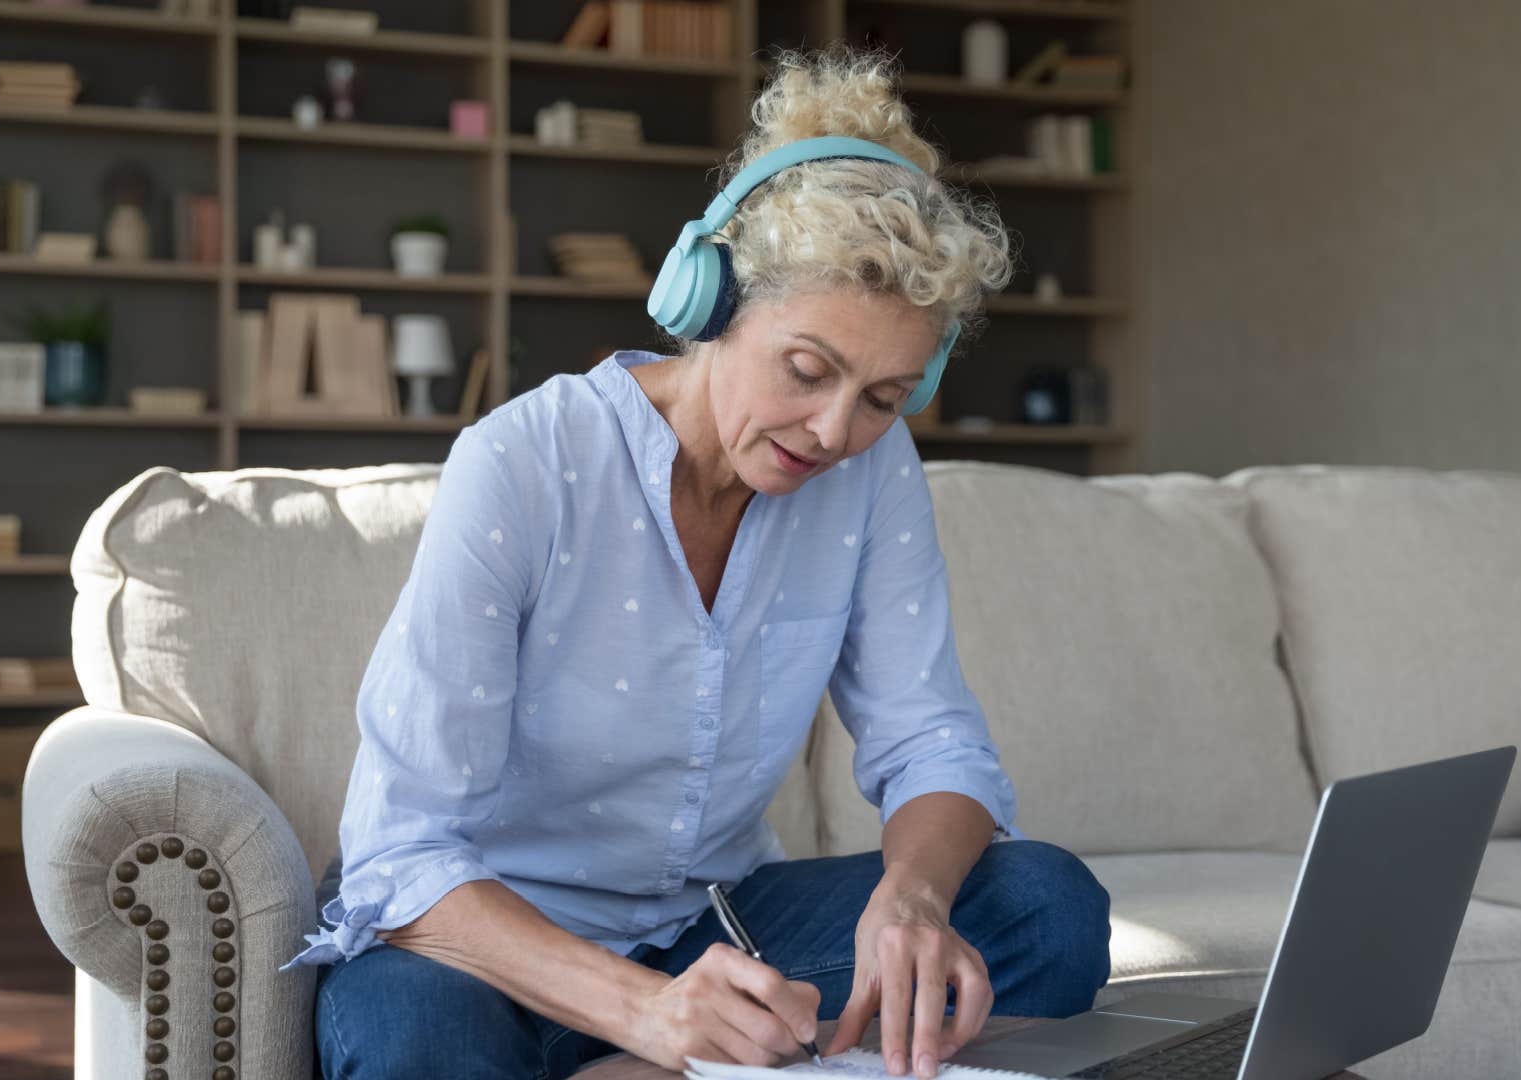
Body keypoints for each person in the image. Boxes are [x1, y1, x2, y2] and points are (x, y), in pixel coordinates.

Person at [293, 42, 1112, 1080]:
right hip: (486, 948)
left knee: (1047, 906)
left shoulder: (874, 472)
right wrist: (646, 1014)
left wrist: (910, 901)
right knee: (419, 1042)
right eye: (807, 369)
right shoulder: (524, 464)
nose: (831, 431)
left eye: (882, 397)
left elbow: (933, 744)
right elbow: (396, 858)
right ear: (713, 302)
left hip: (713, 934)